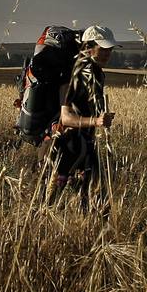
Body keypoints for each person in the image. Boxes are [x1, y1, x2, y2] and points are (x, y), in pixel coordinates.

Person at [46, 25, 117, 210]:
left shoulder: (97, 73)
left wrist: (100, 117)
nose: (108, 53)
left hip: (84, 145)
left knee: (94, 198)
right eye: (103, 48)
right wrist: (96, 121)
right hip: (67, 146)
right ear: (88, 47)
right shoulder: (74, 73)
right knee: (52, 201)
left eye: (110, 49)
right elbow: (66, 117)